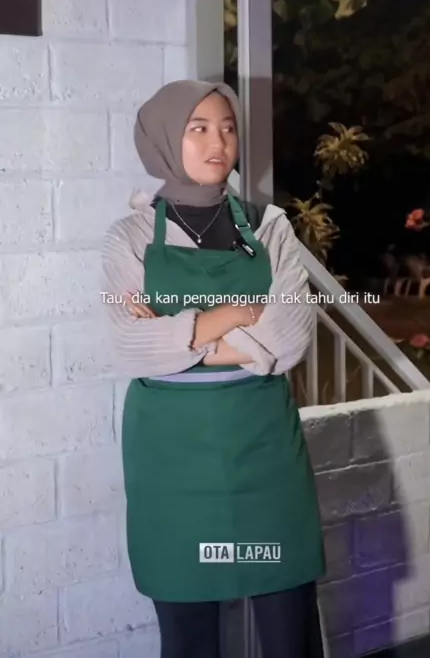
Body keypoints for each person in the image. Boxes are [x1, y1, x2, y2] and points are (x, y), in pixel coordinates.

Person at [101, 79, 326, 658]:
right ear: (164, 138)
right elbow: (128, 345)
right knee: (188, 632)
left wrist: (179, 334)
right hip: (171, 462)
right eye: (197, 128)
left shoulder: (268, 226)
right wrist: (234, 314)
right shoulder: (129, 237)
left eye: (227, 128)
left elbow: (289, 335)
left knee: (288, 623)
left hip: (265, 453)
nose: (218, 142)